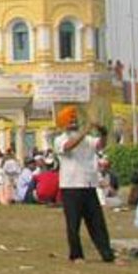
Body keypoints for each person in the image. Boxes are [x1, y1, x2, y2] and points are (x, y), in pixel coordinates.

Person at [54, 106, 115, 263]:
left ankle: (107, 254)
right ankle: (76, 255)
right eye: (70, 120)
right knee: (73, 224)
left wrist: (103, 131)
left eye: (75, 119)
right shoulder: (60, 139)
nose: (73, 122)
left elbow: (100, 144)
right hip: (71, 186)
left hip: (88, 184)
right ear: (63, 123)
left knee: (97, 222)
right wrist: (86, 130)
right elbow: (69, 146)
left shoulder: (87, 139)